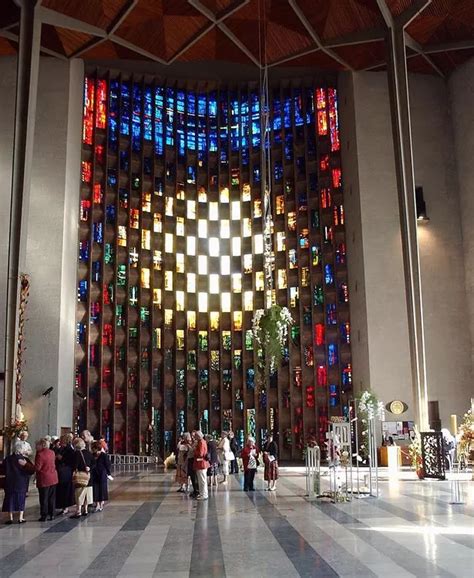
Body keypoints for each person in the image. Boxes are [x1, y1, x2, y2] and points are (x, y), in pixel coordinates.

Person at [2, 440, 33, 524]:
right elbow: (31, 470)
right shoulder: (24, 459)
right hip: (21, 481)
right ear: (21, 449)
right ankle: (20, 517)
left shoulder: (8, 459)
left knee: (10, 498)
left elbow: (2, 469)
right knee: (21, 498)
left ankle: (10, 517)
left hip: (9, 481)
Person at [35, 438, 58, 521]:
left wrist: (26, 465)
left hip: (44, 478)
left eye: (38, 445)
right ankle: (52, 514)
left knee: (43, 497)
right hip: (53, 477)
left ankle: (44, 515)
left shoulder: (40, 454)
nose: (36, 446)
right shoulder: (52, 452)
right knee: (51, 497)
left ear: (42, 445)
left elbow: (37, 468)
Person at [71, 437, 94, 518]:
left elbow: (74, 465)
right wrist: (89, 468)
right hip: (88, 476)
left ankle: (78, 511)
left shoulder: (77, 454)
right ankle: (86, 510)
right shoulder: (89, 453)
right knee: (87, 494)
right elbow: (93, 463)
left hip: (80, 477)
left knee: (79, 494)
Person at [55, 433, 76, 514]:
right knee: (62, 490)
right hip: (61, 471)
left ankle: (65, 506)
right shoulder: (62, 448)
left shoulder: (69, 449)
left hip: (66, 472)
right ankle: (62, 506)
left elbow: (71, 460)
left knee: (65, 490)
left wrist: (62, 458)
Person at [91, 441, 112, 511]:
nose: (94, 451)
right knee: (95, 489)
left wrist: (108, 473)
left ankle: (101, 503)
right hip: (94, 474)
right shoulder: (93, 455)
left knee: (102, 489)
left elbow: (108, 465)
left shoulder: (103, 455)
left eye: (95, 449)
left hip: (102, 474)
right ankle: (97, 504)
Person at [193, 431, 209, 501]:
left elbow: (200, 453)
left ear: (198, 436)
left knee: (202, 480)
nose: (194, 437)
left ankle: (204, 494)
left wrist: (194, 450)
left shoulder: (201, 442)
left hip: (201, 463)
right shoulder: (202, 441)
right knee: (201, 480)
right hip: (200, 463)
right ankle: (202, 493)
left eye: (195, 436)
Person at [187, 432, 199, 498]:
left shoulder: (197, 442)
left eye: (194, 436)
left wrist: (190, 447)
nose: (192, 437)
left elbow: (195, 451)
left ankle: (196, 490)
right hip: (191, 460)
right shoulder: (193, 443)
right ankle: (195, 490)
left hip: (193, 460)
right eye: (192, 436)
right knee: (192, 476)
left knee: (195, 477)